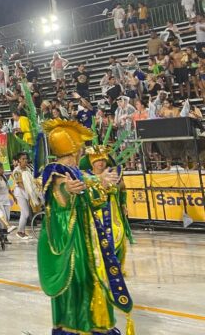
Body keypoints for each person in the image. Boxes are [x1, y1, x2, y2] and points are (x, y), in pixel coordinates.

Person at [38, 119, 135, 335]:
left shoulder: (75, 172)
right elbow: (62, 188)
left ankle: (89, 325)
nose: (83, 149)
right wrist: (69, 189)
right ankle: (83, 327)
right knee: (84, 281)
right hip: (75, 243)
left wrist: (104, 184)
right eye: (80, 145)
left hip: (85, 237)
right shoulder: (57, 171)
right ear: (74, 147)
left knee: (88, 282)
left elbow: (90, 190)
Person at [11, 153, 41, 240]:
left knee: (25, 213)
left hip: (27, 193)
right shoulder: (17, 171)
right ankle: (20, 232)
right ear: (19, 160)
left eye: (26, 159)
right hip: (20, 193)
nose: (25, 160)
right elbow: (20, 184)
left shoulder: (28, 169)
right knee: (26, 213)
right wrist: (30, 192)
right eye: (23, 159)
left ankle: (23, 232)